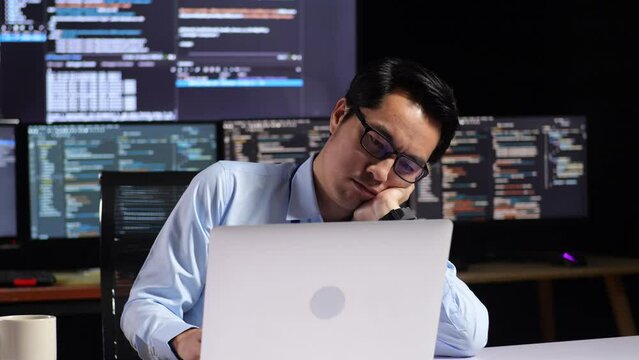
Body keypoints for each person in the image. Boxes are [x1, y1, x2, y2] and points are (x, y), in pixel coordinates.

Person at [121, 57, 489, 360]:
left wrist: (393, 228)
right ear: (339, 115)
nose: (380, 172)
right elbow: (146, 305)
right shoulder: (226, 188)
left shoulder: (390, 230)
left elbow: (467, 338)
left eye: (406, 166)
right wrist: (182, 339)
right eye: (375, 141)